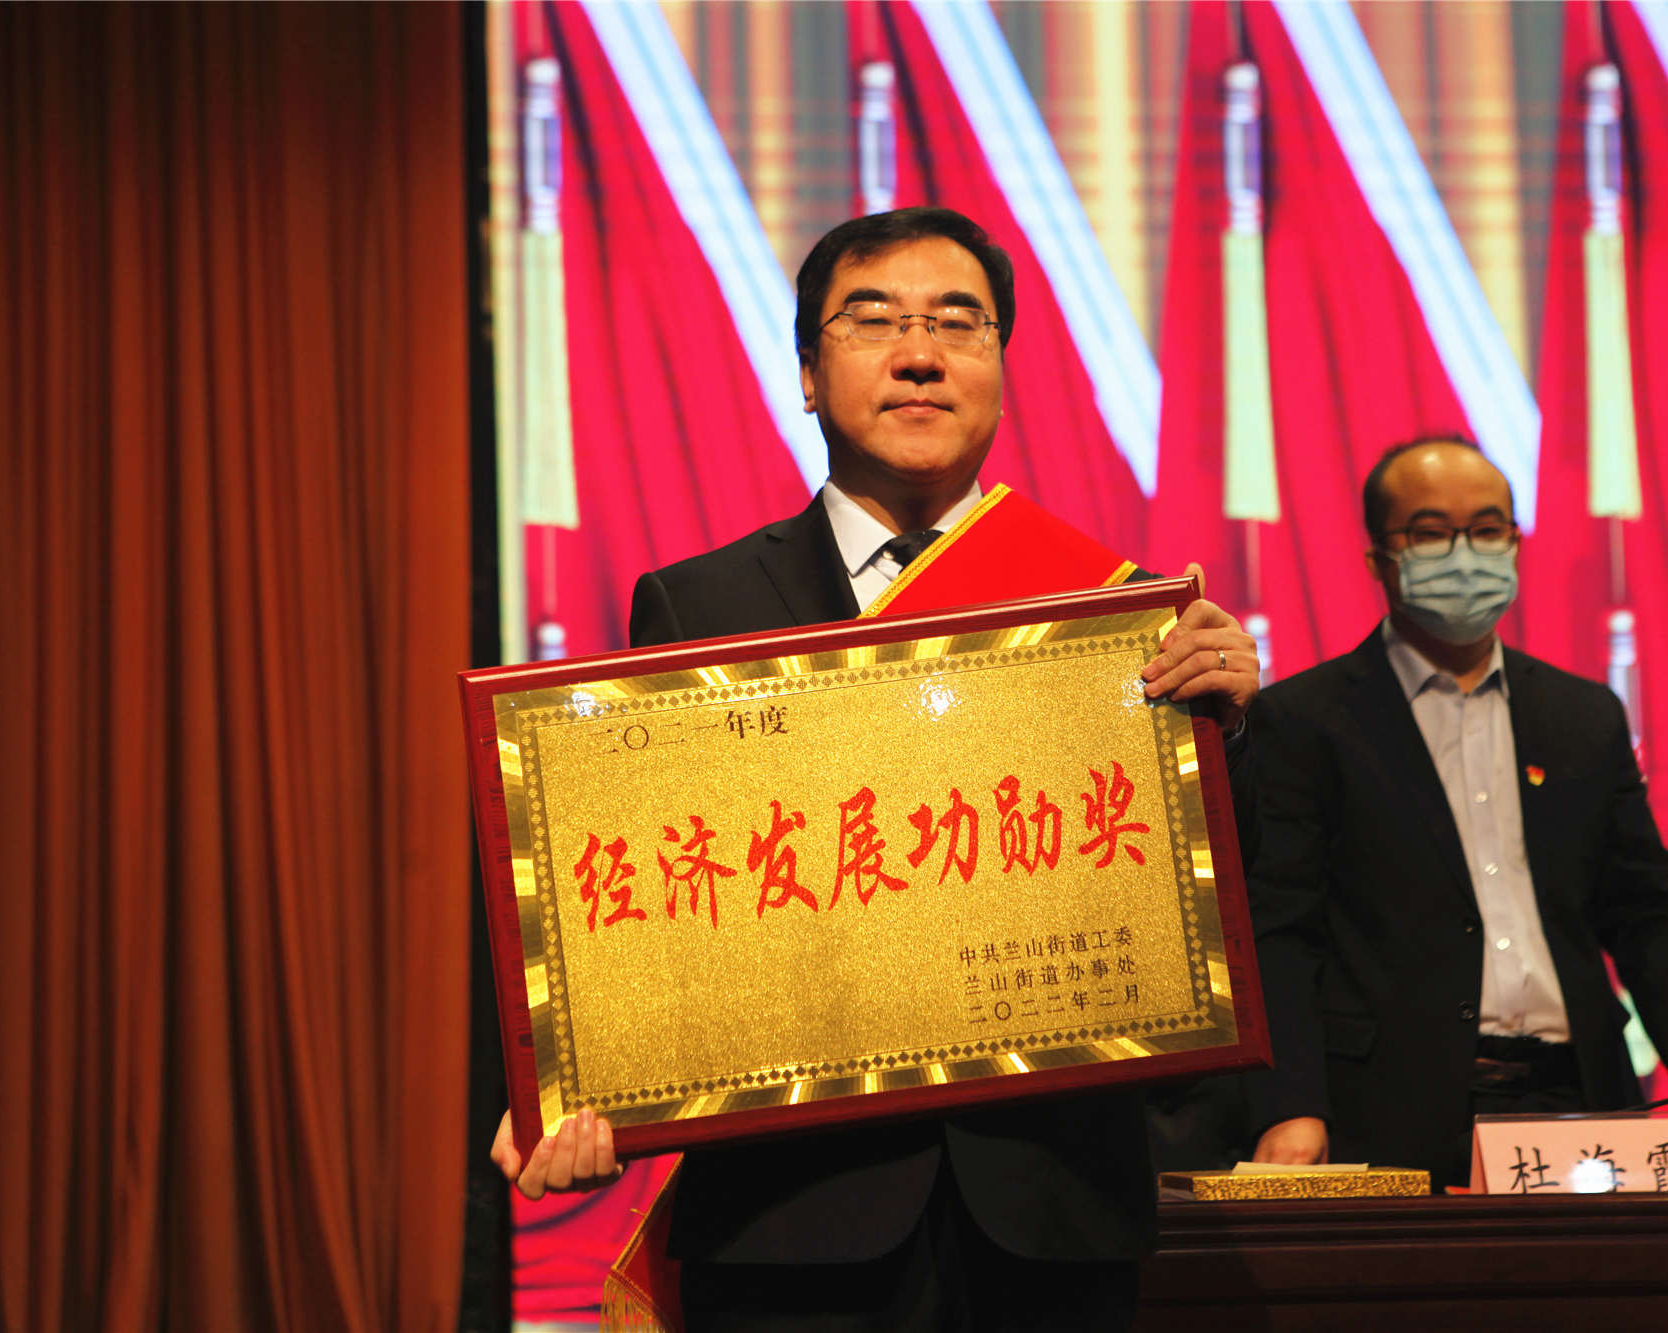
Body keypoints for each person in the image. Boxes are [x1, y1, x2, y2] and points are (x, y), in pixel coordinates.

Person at [491, 206, 1260, 1331]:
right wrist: (572, 1075)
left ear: (999, 367)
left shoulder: (1115, 612)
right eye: (874, 320)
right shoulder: (699, 605)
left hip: (1052, 1212)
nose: (919, 353)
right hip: (792, 1216)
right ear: (808, 374)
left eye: (958, 321)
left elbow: (1202, 908)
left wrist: (1224, 731)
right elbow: (649, 895)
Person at [1231, 436, 1668, 1188]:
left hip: (1581, 1101)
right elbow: (1279, 934)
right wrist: (1291, 1104)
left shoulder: (1582, 716)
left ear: (1515, 544)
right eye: (1430, 533)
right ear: (1379, 559)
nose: (1465, 554)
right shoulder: (1305, 720)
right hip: (1390, 1110)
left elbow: (1651, 915)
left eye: (1487, 530)